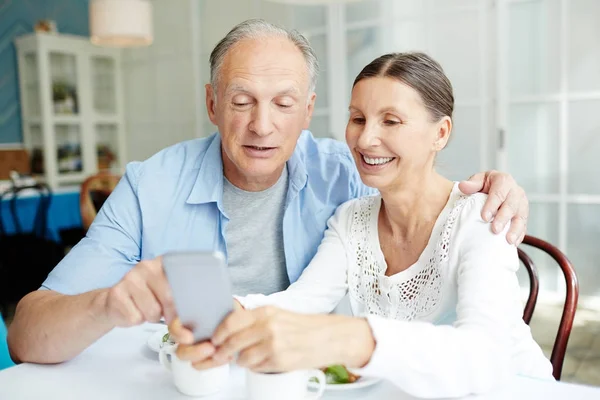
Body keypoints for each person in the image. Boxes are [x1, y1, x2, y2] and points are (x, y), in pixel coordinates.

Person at [8, 20, 529, 365]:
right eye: (241, 101)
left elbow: (417, 176)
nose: (262, 126)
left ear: (308, 110)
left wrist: (497, 189)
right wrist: (115, 304)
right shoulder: (149, 187)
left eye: (283, 103)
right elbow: (26, 334)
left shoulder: (344, 173)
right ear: (212, 104)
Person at [169, 52, 553, 398]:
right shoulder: (351, 219)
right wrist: (220, 309)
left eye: (391, 121)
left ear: (440, 133)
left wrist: (353, 338)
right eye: (358, 118)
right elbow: (301, 302)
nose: (366, 138)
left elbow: (484, 357)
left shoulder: (483, 218)